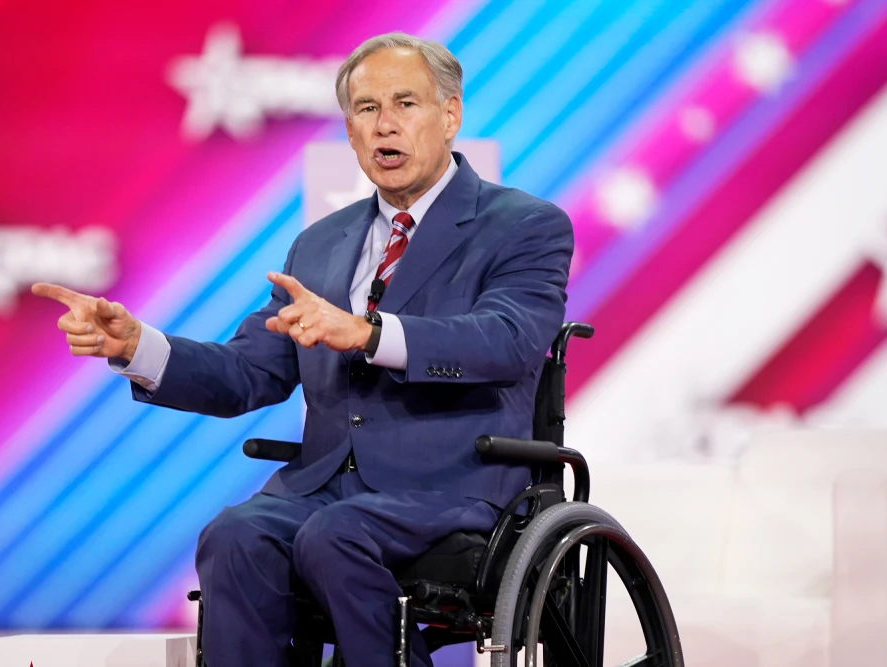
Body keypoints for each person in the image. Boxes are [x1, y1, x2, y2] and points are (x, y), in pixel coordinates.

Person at [33, 32, 572, 667]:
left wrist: (370, 333)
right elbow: (246, 372)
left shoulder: (523, 225)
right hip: (322, 489)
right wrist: (137, 347)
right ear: (350, 132)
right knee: (235, 534)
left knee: (333, 536)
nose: (385, 125)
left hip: (451, 487)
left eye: (405, 103)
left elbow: (507, 340)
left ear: (450, 115)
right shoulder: (319, 244)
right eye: (367, 109)